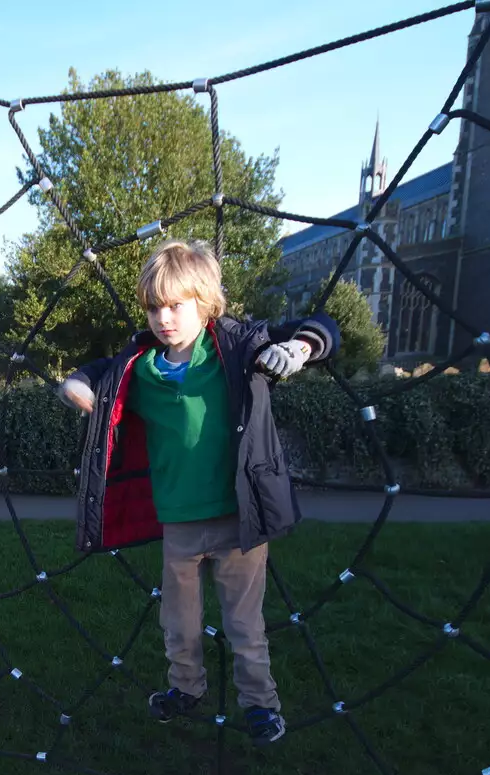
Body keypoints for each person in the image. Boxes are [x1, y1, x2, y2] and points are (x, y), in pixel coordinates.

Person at [59, 240, 339, 745]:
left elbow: (320, 328)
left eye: (176, 305)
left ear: (205, 302)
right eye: (154, 307)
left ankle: (260, 704)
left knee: (244, 624)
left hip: (238, 518)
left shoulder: (237, 348)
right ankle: (185, 688)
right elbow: (91, 377)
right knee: (179, 623)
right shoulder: (139, 364)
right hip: (179, 521)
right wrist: (81, 391)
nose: (164, 318)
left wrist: (297, 349)